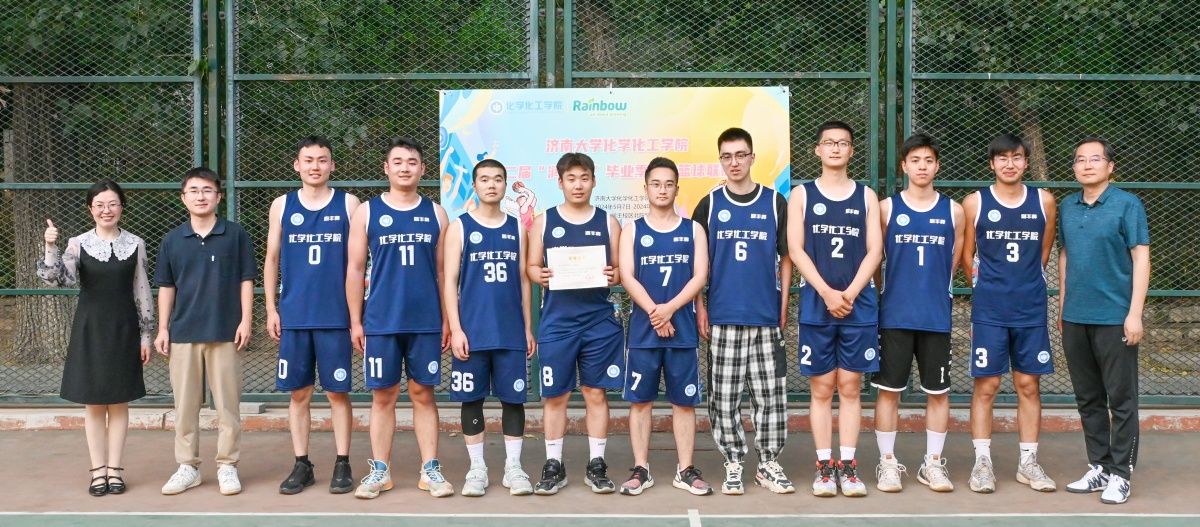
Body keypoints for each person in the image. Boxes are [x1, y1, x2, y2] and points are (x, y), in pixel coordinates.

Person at [347, 137, 453, 499]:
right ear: (386, 168)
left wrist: (447, 320)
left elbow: (444, 273)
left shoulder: (436, 213)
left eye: (412, 162)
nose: (405, 167)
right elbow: (354, 269)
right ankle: (380, 469)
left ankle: (430, 469)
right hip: (382, 320)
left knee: (423, 393)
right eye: (398, 161)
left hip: (425, 320)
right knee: (383, 395)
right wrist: (356, 321)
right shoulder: (367, 212)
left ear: (423, 169)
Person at [692, 127, 793, 495]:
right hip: (723, 316)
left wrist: (784, 303)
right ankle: (733, 460)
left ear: (752, 157)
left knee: (771, 397)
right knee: (724, 397)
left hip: (765, 316)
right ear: (720, 160)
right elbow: (697, 264)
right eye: (727, 156)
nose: (734, 162)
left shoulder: (774, 202)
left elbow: (786, 257)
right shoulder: (709, 204)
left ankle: (767, 463)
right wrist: (700, 306)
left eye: (740, 155)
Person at [38, 180, 152, 497]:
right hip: (90, 330)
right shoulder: (78, 243)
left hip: (124, 329)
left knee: (119, 401)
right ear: (90, 209)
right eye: (99, 205)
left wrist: (146, 334)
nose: (106, 210)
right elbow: (56, 279)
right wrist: (50, 246)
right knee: (94, 403)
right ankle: (97, 471)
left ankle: (115, 470)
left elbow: (142, 289)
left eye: (112, 203)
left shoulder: (136, 243)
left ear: (122, 207)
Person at [787, 121, 882, 498]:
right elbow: (796, 249)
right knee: (823, 387)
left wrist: (850, 293)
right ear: (817, 150)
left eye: (843, 143)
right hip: (817, 303)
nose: (836, 148)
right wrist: (827, 292)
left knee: (851, 386)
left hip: (858, 305)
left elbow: (875, 250)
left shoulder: (866, 196)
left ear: (852, 151)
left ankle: (849, 465)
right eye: (829, 142)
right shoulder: (802, 195)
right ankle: (824, 467)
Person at [961, 133, 1058, 494]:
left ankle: (1028, 462)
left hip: (1030, 309)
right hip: (990, 310)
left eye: (1016, 157)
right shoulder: (975, 202)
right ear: (992, 164)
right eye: (1002, 158)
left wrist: (1023, 284)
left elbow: (1043, 252)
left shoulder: (1044, 201)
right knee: (986, 385)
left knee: (1028, 385)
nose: (1009, 164)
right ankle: (982, 463)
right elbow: (967, 256)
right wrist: (988, 289)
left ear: (1026, 162)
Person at [264, 136, 360, 495]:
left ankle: (342, 461)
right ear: (297, 165)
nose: (315, 166)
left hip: (336, 316)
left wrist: (357, 316)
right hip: (295, 316)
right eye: (308, 160)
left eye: (322, 160)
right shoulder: (282, 205)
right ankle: (302, 463)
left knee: (338, 393)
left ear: (332, 165)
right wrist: (271, 308)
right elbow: (272, 259)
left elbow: (358, 262)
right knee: (299, 394)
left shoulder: (349, 203)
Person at [1058, 137, 1149, 505]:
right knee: (1088, 398)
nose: (1087, 165)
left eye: (1095, 159)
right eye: (1080, 160)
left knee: (1122, 400)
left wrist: (1134, 313)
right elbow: (1066, 255)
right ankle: (1099, 466)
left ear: (1110, 167)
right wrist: (1062, 306)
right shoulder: (1067, 206)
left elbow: (1141, 258)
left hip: (1115, 318)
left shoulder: (1128, 204)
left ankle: (1121, 474)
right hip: (1075, 317)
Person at [526, 152, 623, 495]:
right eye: (571, 178)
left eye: (584, 178)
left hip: (598, 323)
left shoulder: (608, 222)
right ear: (560, 182)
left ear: (594, 181)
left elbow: (620, 270)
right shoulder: (544, 221)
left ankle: (597, 464)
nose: (578, 185)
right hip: (558, 323)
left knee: (595, 392)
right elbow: (531, 266)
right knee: (556, 396)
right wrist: (539, 274)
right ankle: (554, 464)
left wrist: (614, 274)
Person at [155, 167, 256, 496]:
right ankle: (188, 466)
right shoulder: (172, 240)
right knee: (185, 407)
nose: (201, 196)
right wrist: (163, 328)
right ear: (183, 198)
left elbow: (246, 280)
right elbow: (166, 287)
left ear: (219, 196)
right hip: (184, 332)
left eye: (207, 190)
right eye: (194, 191)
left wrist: (245, 320)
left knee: (228, 406)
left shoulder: (235, 234)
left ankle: (228, 465)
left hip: (225, 332)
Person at [871, 134, 964, 493]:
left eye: (928, 160)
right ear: (904, 166)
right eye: (915, 160)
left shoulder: (954, 211)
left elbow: (953, 263)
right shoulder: (886, 209)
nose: (922, 166)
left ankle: (933, 464)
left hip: (935, 317)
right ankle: (887, 463)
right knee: (888, 392)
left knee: (938, 393)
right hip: (895, 316)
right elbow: (876, 261)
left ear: (937, 166)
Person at [617, 157, 712, 496]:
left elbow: (700, 275)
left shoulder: (693, 230)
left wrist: (669, 309)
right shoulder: (633, 230)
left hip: (682, 329)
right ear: (645, 188)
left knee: (683, 403)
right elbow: (627, 276)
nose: (662, 190)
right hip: (644, 332)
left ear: (676, 188)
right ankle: (641, 468)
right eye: (656, 184)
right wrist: (655, 313)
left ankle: (684, 469)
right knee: (640, 402)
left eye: (668, 184)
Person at [442, 159, 536, 497]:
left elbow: (524, 281)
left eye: (497, 179)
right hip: (473, 331)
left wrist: (527, 327)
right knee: (472, 399)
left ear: (505, 184)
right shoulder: (460, 227)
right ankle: (477, 468)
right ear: (475, 185)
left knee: (513, 400)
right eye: (484, 179)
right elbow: (449, 281)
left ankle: (514, 467)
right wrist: (456, 328)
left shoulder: (517, 228)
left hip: (509, 330)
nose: (491, 184)